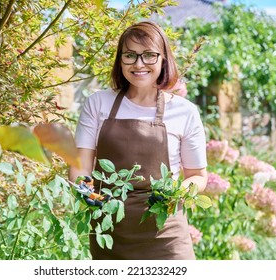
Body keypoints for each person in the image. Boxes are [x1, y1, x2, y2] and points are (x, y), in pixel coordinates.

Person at [69, 21, 207, 260]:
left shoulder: (185, 111)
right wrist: (88, 193)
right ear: (120, 60)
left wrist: (175, 194)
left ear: (163, 59)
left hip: (167, 237)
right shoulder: (98, 103)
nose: (139, 64)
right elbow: (80, 166)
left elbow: (197, 176)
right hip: (109, 232)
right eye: (130, 55)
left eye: (149, 55)